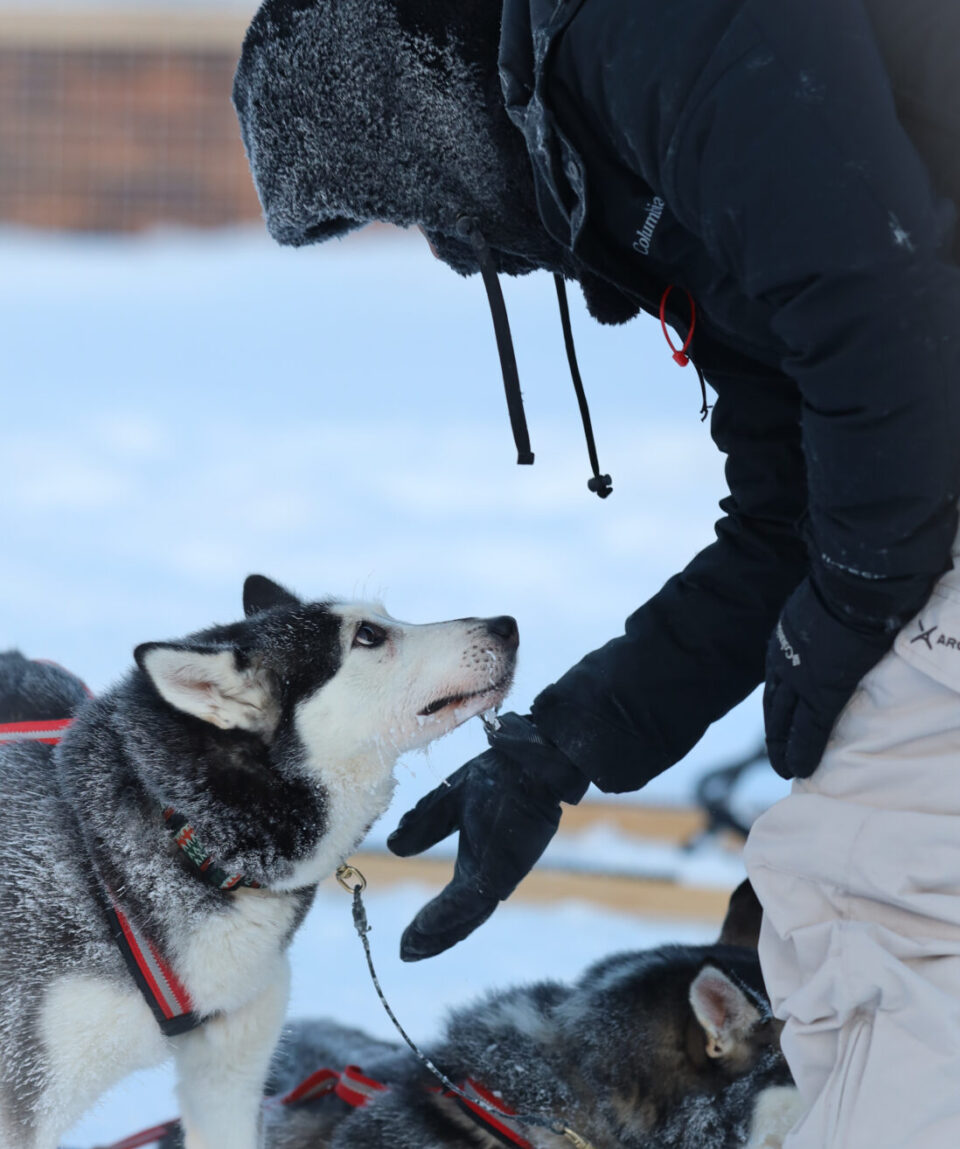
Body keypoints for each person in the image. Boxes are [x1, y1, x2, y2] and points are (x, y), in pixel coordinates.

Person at [232, 1, 960, 1144]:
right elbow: (785, 510)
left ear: (419, 109)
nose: (444, 245)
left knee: (863, 900)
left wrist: (853, 602)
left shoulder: (665, 33)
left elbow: (887, 326)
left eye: (400, 203)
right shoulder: (630, 149)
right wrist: (563, 746)